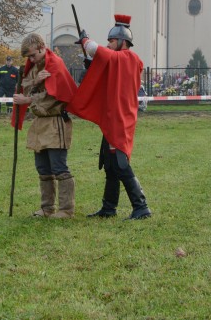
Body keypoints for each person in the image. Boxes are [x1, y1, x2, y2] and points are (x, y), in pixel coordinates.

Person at [67, 14, 152, 220]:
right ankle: (109, 207)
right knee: (110, 164)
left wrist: (86, 41)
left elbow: (101, 53)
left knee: (121, 164)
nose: (108, 43)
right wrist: (91, 63)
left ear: (123, 42)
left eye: (112, 40)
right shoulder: (120, 61)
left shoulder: (129, 58)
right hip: (113, 116)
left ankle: (141, 207)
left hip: (120, 118)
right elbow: (106, 71)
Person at [12, 33, 78, 218]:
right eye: (28, 58)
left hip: (55, 122)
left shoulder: (55, 64)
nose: (31, 60)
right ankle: (47, 208)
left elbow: (53, 96)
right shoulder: (34, 68)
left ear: (42, 47)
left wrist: (28, 99)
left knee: (59, 168)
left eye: (33, 55)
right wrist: (35, 81)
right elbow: (24, 85)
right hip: (39, 124)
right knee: (43, 168)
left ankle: (66, 209)